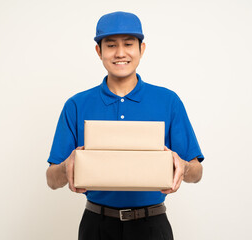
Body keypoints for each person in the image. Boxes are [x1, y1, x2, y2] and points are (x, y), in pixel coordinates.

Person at [46, 11, 204, 240]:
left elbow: (196, 171)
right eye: (110, 45)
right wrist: (65, 167)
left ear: (142, 49)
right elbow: (51, 179)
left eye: (129, 44)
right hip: (96, 226)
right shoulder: (76, 105)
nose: (120, 53)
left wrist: (183, 167)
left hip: (152, 226)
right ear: (99, 51)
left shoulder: (168, 101)